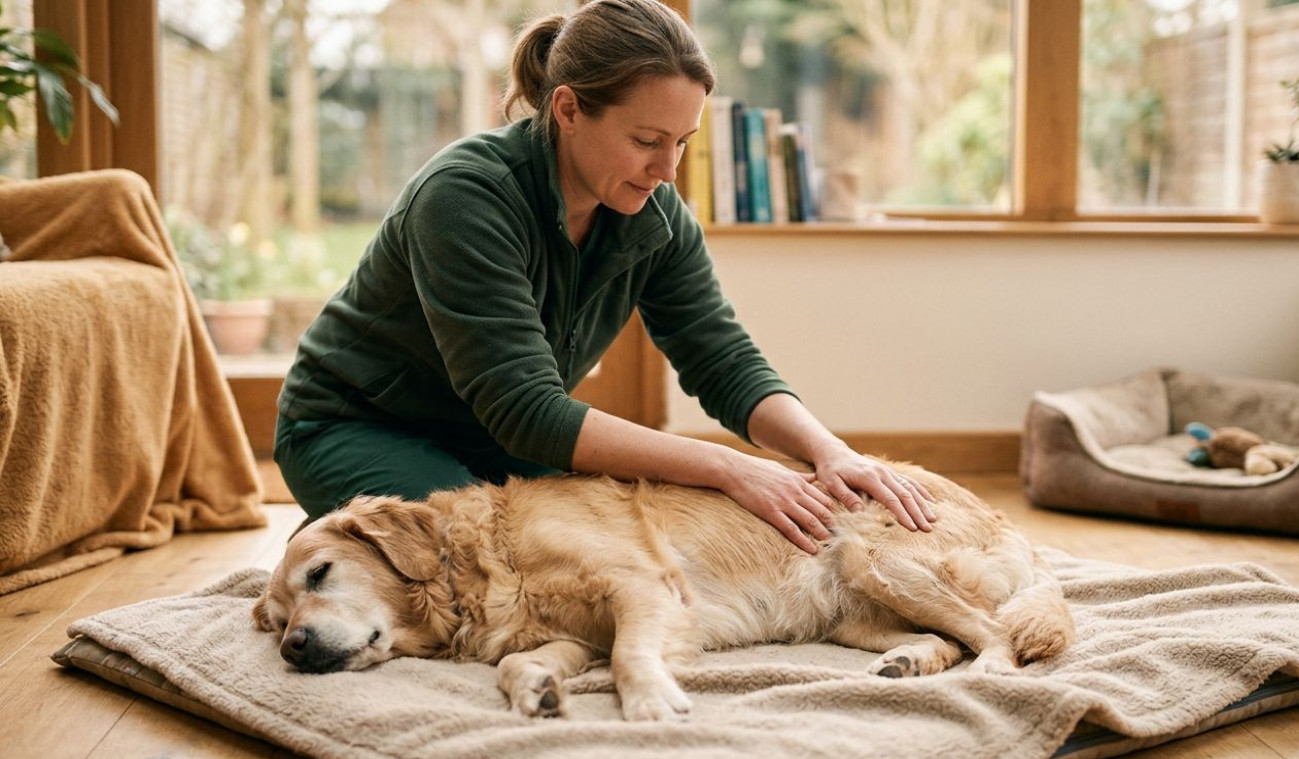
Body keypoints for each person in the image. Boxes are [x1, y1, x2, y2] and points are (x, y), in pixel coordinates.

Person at [274, 0, 936, 554]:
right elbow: (529, 411)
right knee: (471, 562)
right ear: (566, 109)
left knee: (604, 547)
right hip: (356, 424)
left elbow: (722, 359)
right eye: (647, 141)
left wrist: (831, 452)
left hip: (494, 441)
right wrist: (730, 466)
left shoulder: (653, 210)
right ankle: (345, 539)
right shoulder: (464, 196)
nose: (668, 169)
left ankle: (368, 531)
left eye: (682, 142)